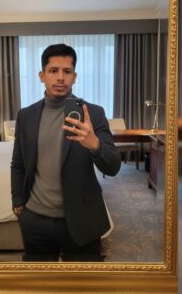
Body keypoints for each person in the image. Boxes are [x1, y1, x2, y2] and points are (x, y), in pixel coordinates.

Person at [11, 43, 121, 261]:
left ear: (75, 77)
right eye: (53, 71)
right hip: (35, 219)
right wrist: (18, 201)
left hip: (83, 218)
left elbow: (114, 167)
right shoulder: (26, 115)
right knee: (40, 281)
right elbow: (18, 163)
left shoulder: (93, 114)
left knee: (83, 281)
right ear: (42, 75)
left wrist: (94, 144)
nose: (60, 78)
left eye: (67, 71)